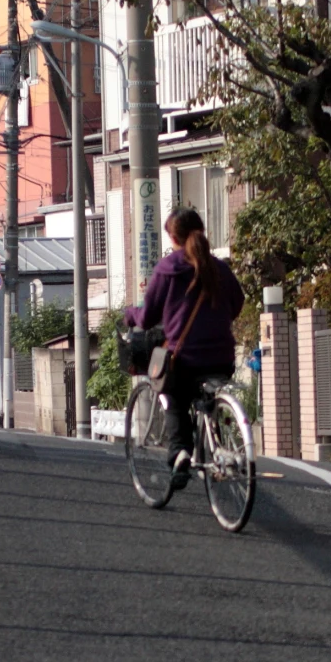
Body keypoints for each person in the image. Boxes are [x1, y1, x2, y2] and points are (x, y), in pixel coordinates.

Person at [132, 208, 245, 489]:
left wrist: (129, 314)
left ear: (173, 237)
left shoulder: (168, 269)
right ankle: (217, 438)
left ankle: (180, 452)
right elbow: (237, 304)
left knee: (174, 398)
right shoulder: (219, 268)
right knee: (205, 393)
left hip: (184, 359)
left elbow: (146, 318)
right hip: (222, 356)